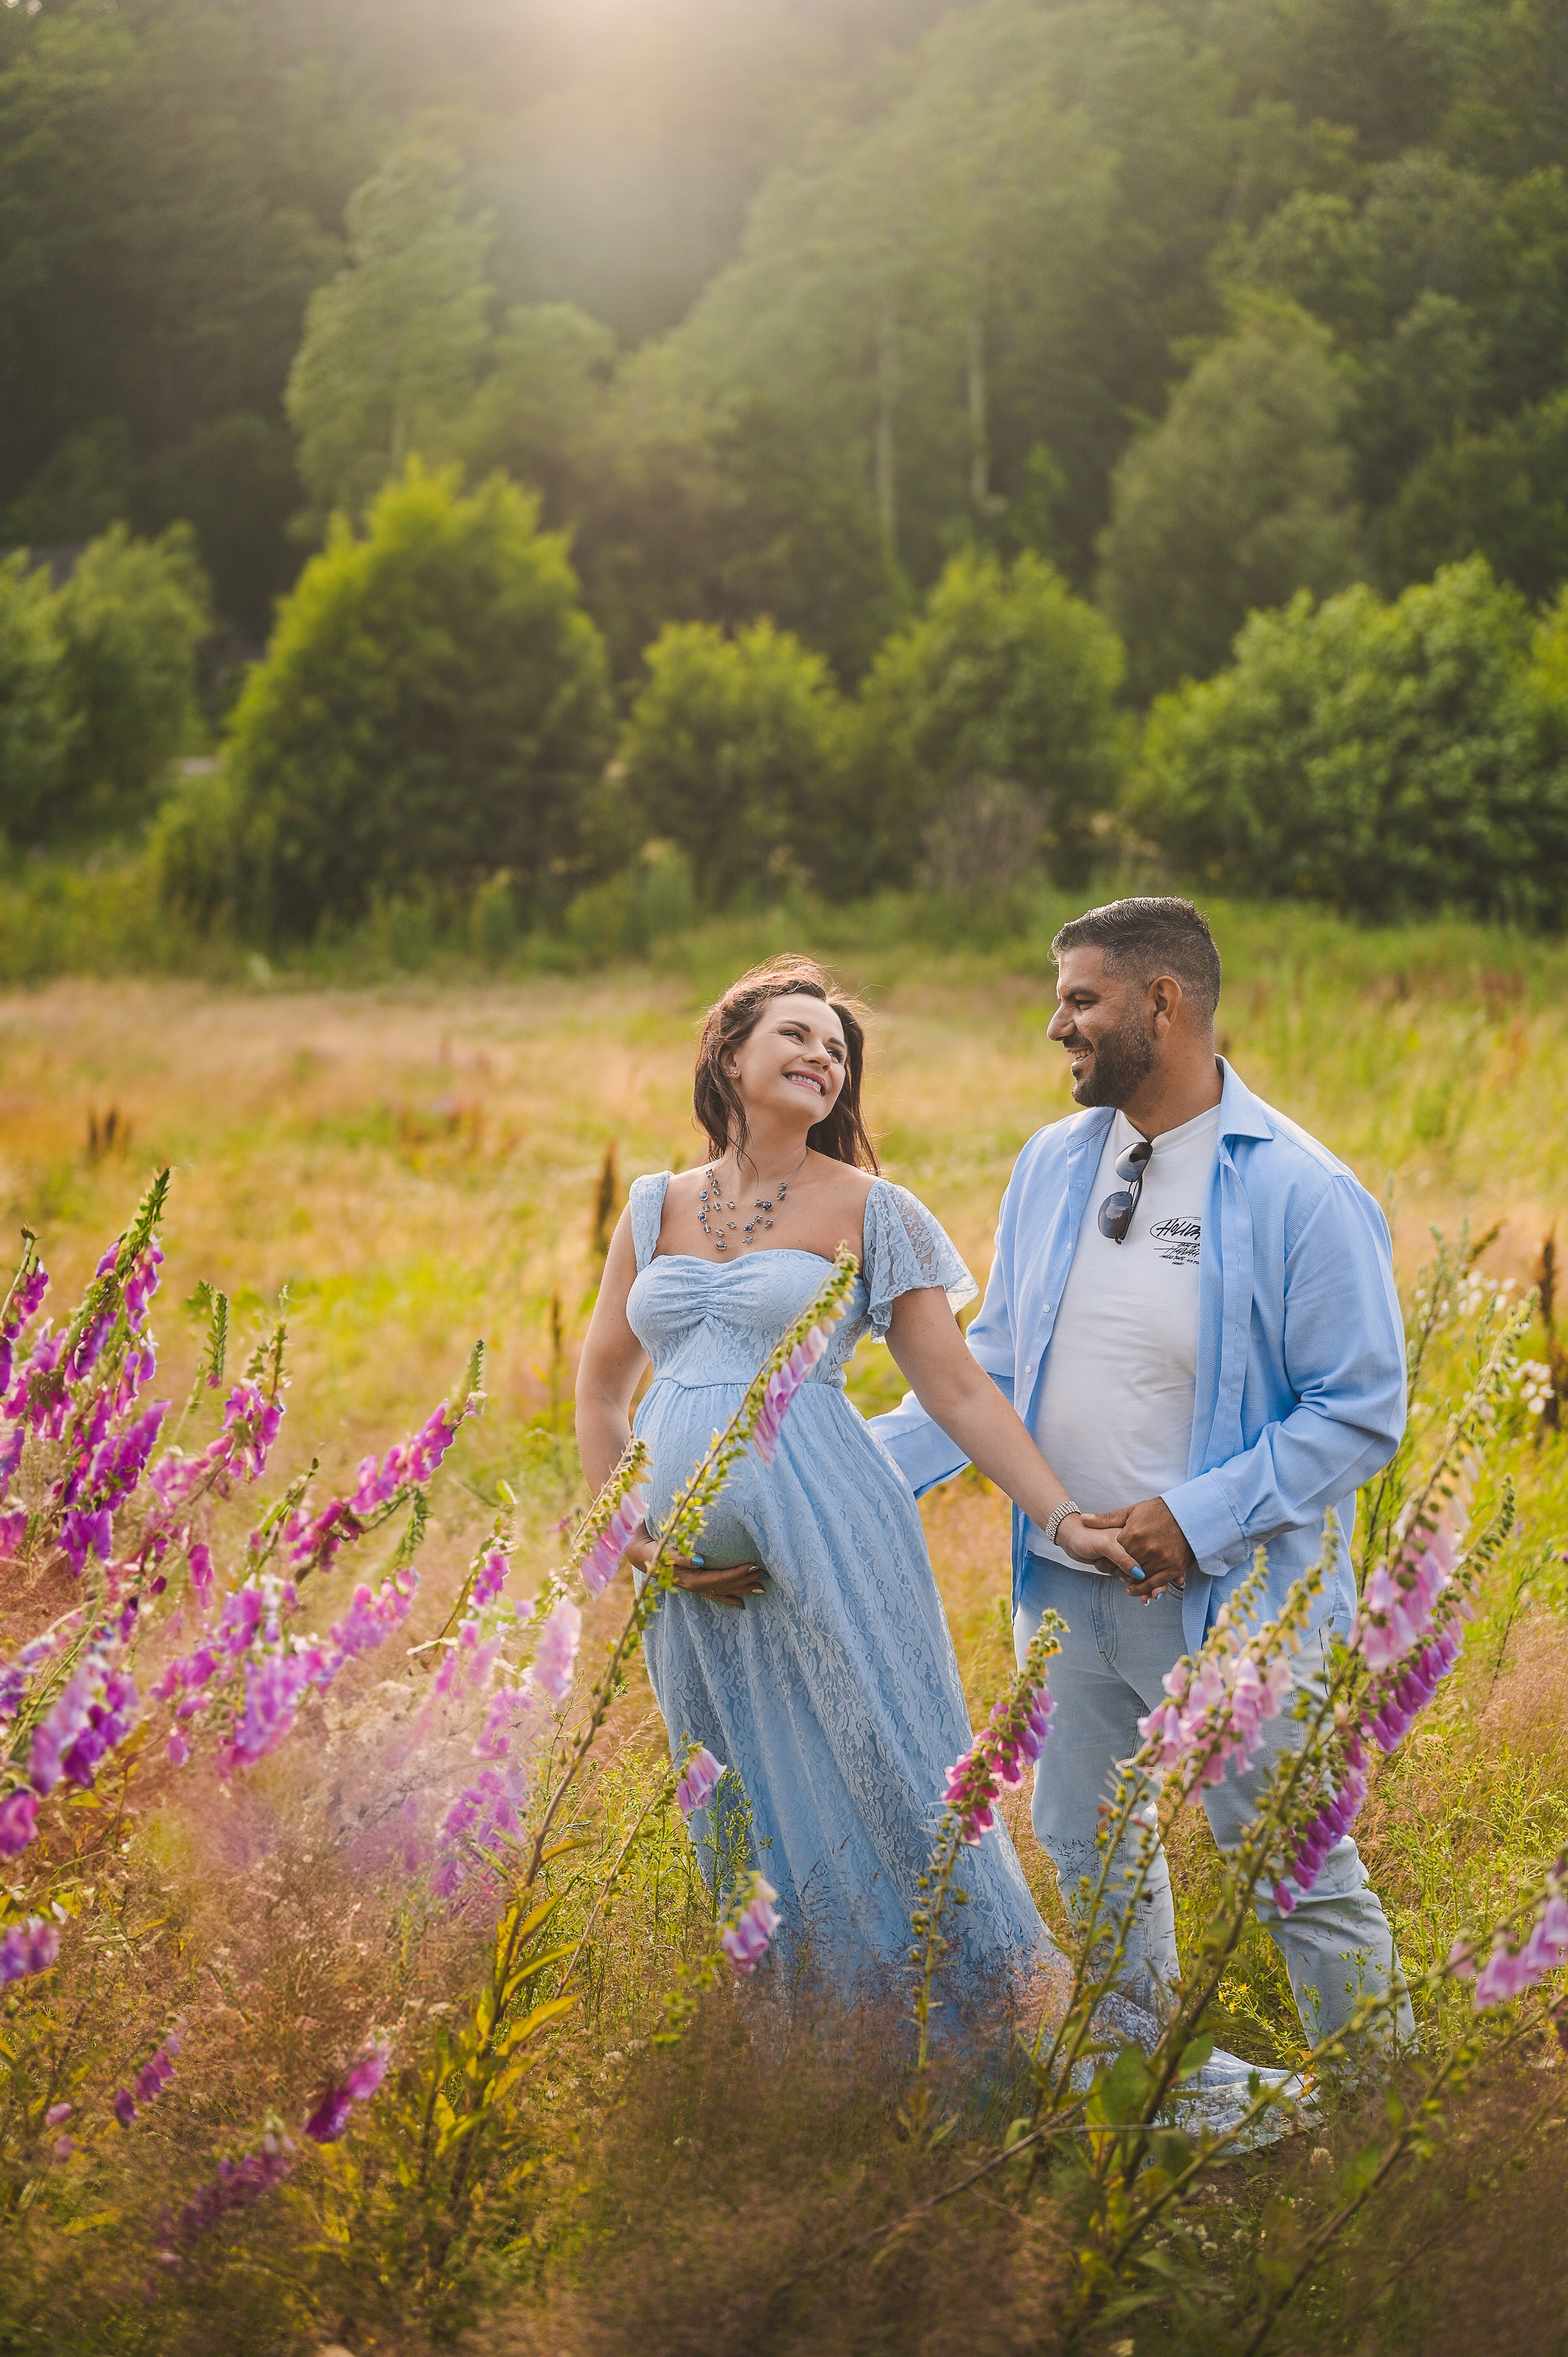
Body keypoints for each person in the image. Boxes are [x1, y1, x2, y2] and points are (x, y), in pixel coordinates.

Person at [873, 897, 1414, 2047]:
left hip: (1235, 1604)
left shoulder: (1300, 1191)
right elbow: (997, 1367)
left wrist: (1196, 1516)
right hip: (1067, 1584)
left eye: (1081, 997)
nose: (1056, 1024)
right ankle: (1148, 2090)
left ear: (1162, 1005)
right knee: (1083, 1839)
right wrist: (837, 1476)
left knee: (1292, 1871)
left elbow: (1362, 1412)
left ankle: (1385, 2133)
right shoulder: (1056, 1162)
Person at [576, 955, 1131, 1986]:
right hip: (682, 1580)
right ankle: (807, 2035)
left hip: (831, 1531)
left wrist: (1065, 1520)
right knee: (732, 1784)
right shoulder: (654, 1206)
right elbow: (601, 1388)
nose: (821, 1058)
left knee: (886, 1772)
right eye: (797, 1036)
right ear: (728, 1053)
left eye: (837, 1052)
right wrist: (633, 1539)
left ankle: (955, 2021)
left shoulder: (876, 1210)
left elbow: (958, 1388)